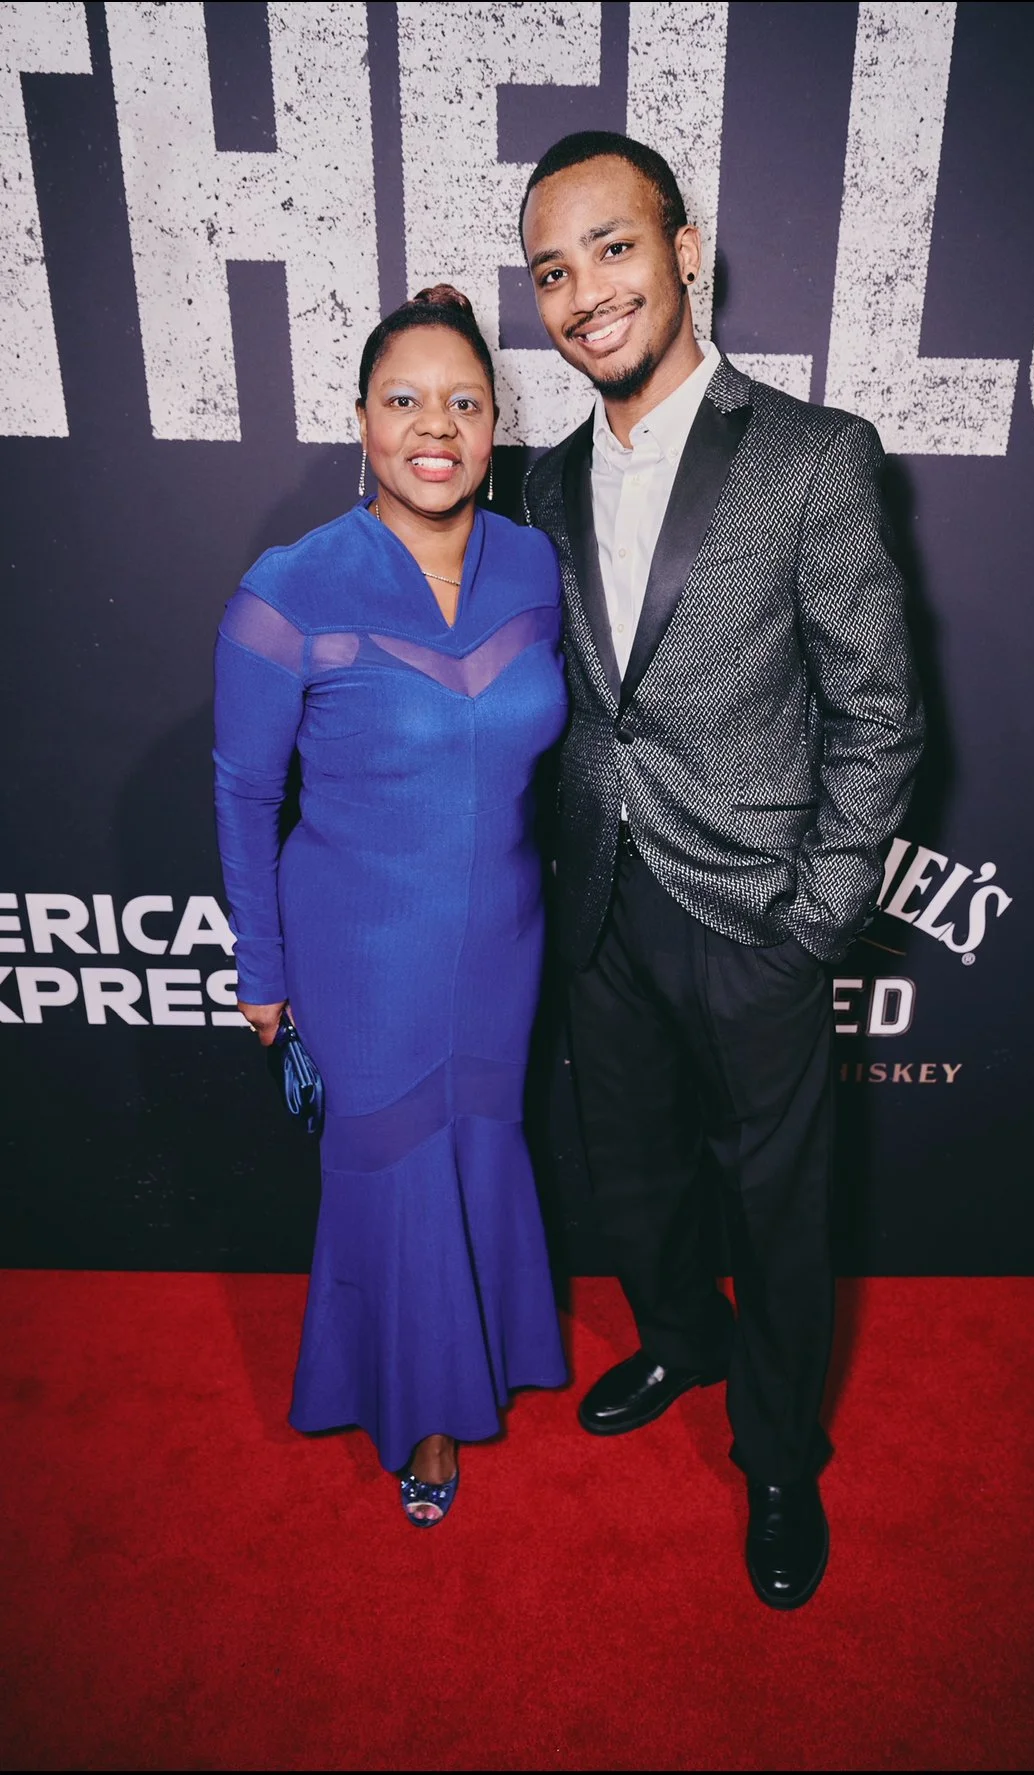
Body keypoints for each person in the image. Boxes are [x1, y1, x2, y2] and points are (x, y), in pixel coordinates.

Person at [520, 133, 923, 1607]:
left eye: (611, 249)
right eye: (552, 271)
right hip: (598, 896)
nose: (583, 294)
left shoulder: (811, 457)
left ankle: (773, 1453)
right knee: (627, 1167)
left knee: (779, 1203)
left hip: (753, 909)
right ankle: (680, 1333)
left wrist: (815, 916)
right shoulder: (540, 480)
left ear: (683, 252)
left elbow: (877, 711)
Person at [213, 285, 568, 1525]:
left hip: (508, 943)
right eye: (405, 399)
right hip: (359, 958)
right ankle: (423, 1415)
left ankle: (485, 1349)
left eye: (465, 402)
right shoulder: (289, 585)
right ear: (360, 419)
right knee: (396, 1176)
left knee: (480, 1149)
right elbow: (246, 788)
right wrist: (261, 968)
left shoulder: (535, 563)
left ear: (493, 422)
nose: (438, 425)